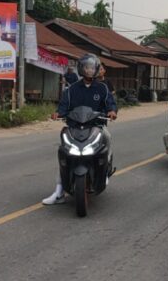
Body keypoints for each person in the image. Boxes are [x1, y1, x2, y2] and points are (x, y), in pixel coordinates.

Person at [42, 54, 117, 205]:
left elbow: (110, 103)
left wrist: (112, 111)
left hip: (96, 126)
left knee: (107, 138)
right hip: (75, 127)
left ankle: (106, 170)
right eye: (86, 67)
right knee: (65, 154)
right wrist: (58, 113)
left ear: (96, 69)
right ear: (81, 69)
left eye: (92, 68)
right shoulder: (72, 89)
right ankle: (59, 193)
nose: (89, 71)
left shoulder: (102, 88)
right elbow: (63, 106)